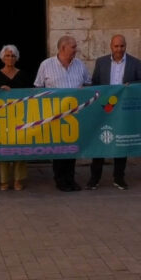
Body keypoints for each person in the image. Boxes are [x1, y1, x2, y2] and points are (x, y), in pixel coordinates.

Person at [88, 34, 141, 190]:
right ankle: (95, 178)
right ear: (111, 46)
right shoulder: (101, 62)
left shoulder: (135, 63)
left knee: (121, 142)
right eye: (116, 46)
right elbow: (95, 83)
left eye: (122, 46)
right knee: (99, 141)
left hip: (123, 110)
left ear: (126, 46)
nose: (119, 49)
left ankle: (119, 178)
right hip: (104, 109)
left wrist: (131, 85)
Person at [34, 35, 91, 191]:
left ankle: (70, 179)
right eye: (73, 47)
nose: (76, 50)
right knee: (59, 148)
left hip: (75, 115)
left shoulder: (79, 65)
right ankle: (60, 180)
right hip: (55, 115)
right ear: (62, 48)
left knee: (72, 147)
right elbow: (38, 87)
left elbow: (88, 83)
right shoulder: (46, 65)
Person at [0, 44, 32, 191]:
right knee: (4, 150)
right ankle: (4, 180)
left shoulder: (24, 75)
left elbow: (30, 94)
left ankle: (18, 180)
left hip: (20, 116)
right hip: (2, 118)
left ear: (17, 58)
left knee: (20, 148)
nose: (10, 58)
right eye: (7, 55)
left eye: (13, 56)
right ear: (2, 57)